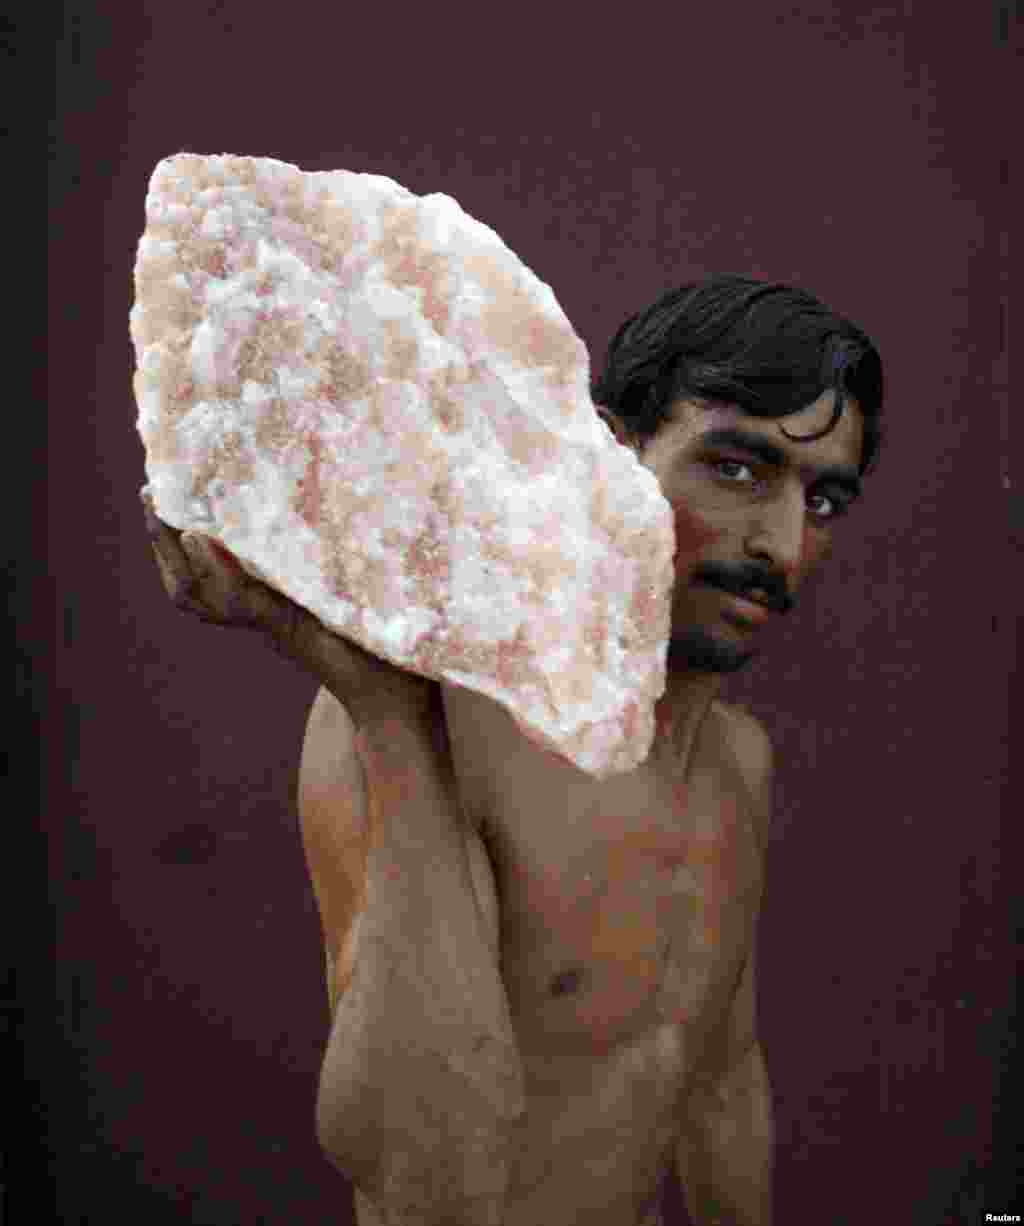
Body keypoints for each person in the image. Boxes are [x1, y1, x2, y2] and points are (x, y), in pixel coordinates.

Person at [143, 273, 884, 1226]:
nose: (781, 542)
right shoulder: (437, 722)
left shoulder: (738, 763)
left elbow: (718, 1078)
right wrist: (390, 722)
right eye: (735, 469)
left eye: (824, 501)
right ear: (609, 459)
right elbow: (417, 1174)